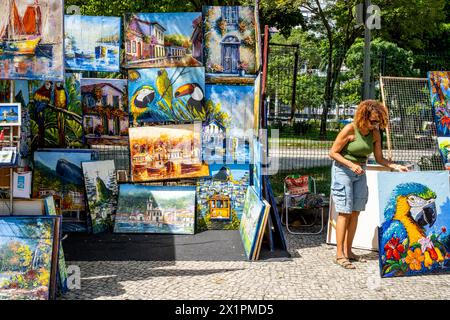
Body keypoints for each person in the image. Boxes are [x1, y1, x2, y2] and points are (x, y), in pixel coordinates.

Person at [329, 100, 409, 269]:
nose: (376, 125)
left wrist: (395, 166)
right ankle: (339, 255)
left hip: (360, 171)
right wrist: (351, 165)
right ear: (363, 117)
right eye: (373, 121)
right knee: (344, 212)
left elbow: (379, 158)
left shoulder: (375, 133)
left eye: (379, 122)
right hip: (343, 170)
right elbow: (333, 152)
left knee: (356, 212)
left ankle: (349, 251)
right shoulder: (350, 129)